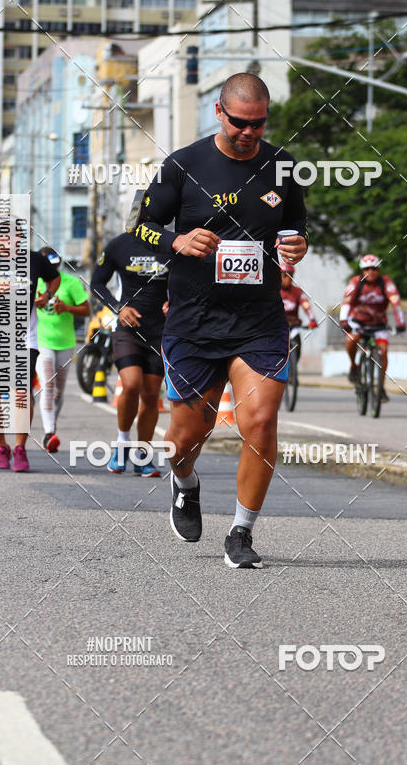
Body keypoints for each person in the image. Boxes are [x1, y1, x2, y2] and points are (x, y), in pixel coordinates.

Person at [134, 72, 307, 568]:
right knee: (187, 436)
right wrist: (177, 242)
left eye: (258, 124)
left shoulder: (282, 166)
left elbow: (297, 228)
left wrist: (297, 244)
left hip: (259, 320)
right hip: (193, 318)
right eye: (239, 123)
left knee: (260, 420)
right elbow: (141, 227)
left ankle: (241, 532)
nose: (248, 133)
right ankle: (185, 484)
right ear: (218, 112)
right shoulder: (182, 166)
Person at [0, 238, 60, 471]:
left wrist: (47, 295)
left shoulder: (34, 259)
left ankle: (20, 448)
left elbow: (54, 277)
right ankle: (1, 447)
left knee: (21, 391)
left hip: (23, 338)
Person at [91, 231, 169, 477]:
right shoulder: (119, 245)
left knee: (150, 394)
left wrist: (176, 302)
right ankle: (123, 443)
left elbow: (187, 281)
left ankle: (143, 456)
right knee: (132, 383)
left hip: (160, 332)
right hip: (128, 330)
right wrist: (118, 307)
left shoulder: (172, 243)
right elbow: (96, 283)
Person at [36, 247, 90, 453]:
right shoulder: (35, 282)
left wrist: (66, 308)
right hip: (42, 341)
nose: (53, 267)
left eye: (56, 263)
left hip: (66, 343)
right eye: (48, 264)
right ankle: (49, 433)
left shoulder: (71, 282)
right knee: (48, 385)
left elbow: (86, 309)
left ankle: (52, 425)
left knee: (58, 391)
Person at [339, 254, 406, 401]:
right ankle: (354, 366)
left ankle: (380, 387)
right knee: (351, 340)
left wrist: (400, 322)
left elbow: (395, 301)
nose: (371, 271)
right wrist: (343, 320)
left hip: (378, 323)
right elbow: (347, 300)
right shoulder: (356, 282)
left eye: (374, 268)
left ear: (379, 269)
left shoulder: (386, 282)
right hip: (358, 320)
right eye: (367, 268)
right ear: (362, 271)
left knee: (383, 350)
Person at [280, 264, 317, 360]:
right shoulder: (273, 291)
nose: (288, 278)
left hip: (294, 327)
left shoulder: (297, 291)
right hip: (277, 327)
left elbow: (306, 306)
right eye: (285, 275)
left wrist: (312, 319)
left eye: (291, 275)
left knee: (297, 348)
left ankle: (294, 365)